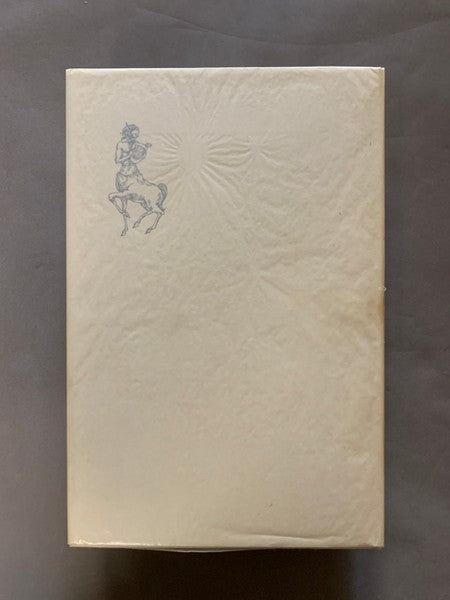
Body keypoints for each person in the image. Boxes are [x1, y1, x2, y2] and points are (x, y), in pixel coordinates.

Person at [114, 124, 152, 192]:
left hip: (135, 173)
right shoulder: (120, 144)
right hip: (124, 175)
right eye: (135, 134)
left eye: (137, 134)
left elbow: (140, 152)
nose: (137, 136)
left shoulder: (136, 143)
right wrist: (128, 156)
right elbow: (117, 160)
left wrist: (146, 147)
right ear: (128, 133)